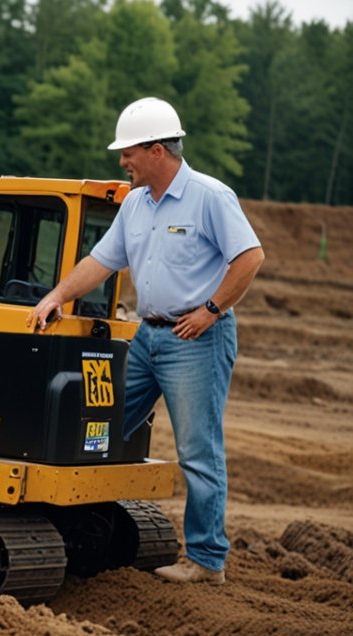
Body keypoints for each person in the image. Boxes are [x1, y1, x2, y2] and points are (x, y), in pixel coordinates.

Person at [28, 97, 264, 585]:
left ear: (157, 150)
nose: (122, 162)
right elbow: (101, 261)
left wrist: (211, 310)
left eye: (128, 152)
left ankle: (206, 561)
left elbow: (250, 257)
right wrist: (57, 296)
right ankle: (79, 527)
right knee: (101, 425)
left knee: (198, 451)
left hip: (195, 339)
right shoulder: (135, 203)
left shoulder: (210, 197)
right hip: (146, 337)